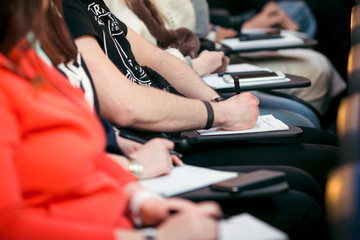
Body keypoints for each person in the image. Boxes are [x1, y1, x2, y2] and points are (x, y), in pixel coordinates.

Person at [0, 1, 329, 239]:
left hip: (132, 184)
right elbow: (122, 108)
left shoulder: (31, 57)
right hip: (139, 168)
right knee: (302, 197)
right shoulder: (44, 37)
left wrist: (142, 202)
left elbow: (95, 137)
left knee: (310, 152)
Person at [107, 0, 346, 116]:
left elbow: (193, 26)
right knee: (310, 85)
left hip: (200, 56)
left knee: (313, 70)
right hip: (184, 70)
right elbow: (142, 61)